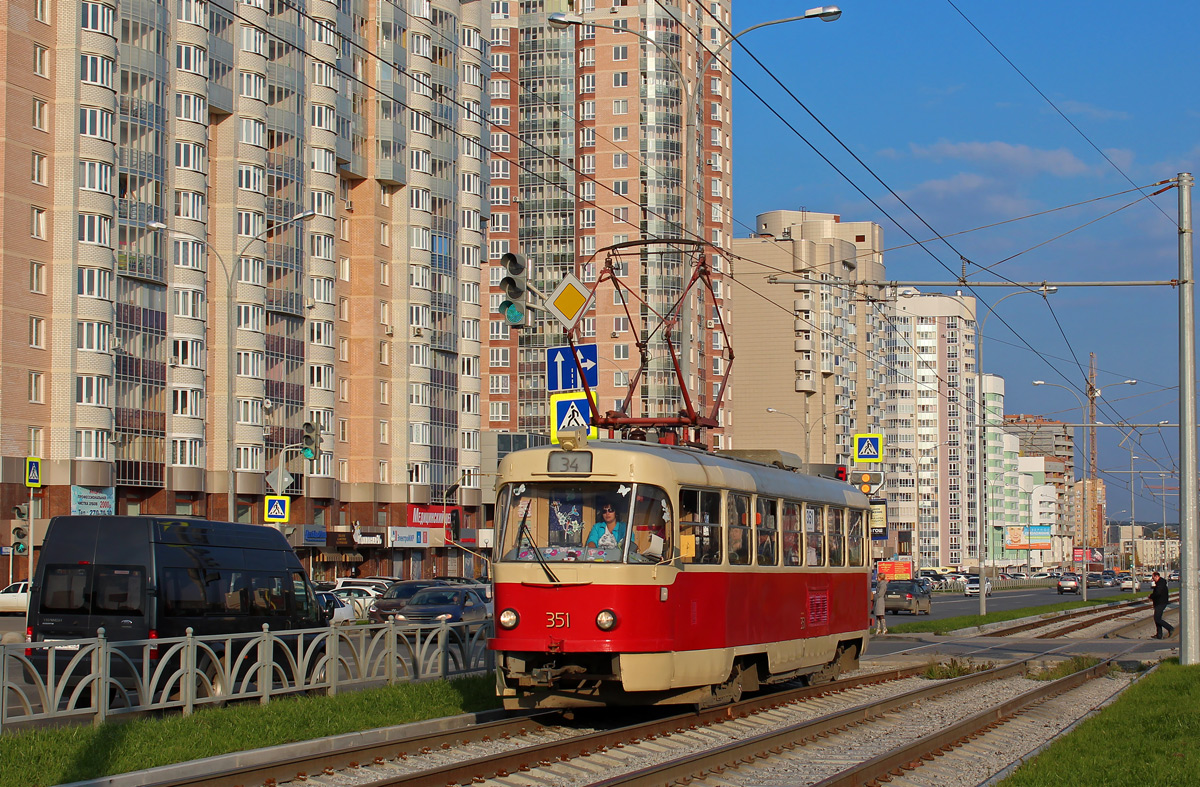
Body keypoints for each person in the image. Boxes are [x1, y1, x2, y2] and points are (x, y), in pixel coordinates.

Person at [1149, 571, 1174, 639]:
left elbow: (1158, 593)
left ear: (1157, 576)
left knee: (1157, 618)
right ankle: (1159, 635)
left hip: (1161, 603)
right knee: (1157, 618)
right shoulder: (1160, 583)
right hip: (1159, 602)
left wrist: (1151, 596)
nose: (1152, 579)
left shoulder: (1160, 583)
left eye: (1153, 577)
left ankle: (1170, 628)